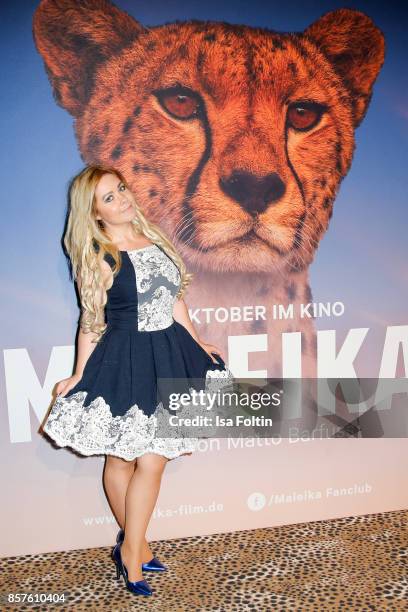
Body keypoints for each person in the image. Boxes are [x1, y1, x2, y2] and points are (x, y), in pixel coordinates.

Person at [42, 165, 233, 597]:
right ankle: (136, 547)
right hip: (124, 355)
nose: (122, 199)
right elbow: (92, 321)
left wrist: (198, 341)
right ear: (94, 214)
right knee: (123, 459)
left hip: (168, 350)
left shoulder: (157, 240)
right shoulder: (100, 255)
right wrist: (78, 372)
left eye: (121, 189)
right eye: (109, 197)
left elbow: (176, 299)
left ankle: (131, 546)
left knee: (153, 458)